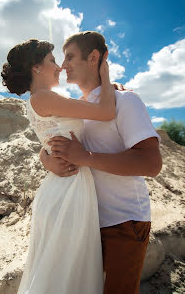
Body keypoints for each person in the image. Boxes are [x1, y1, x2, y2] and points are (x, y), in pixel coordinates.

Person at [41, 31, 162, 294]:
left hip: (124, 222)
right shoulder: (76, 108)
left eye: (70, 57)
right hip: (85, 223)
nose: (63, 65)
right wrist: (48, 162)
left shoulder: (125, 100)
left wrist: (85, 157)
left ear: (93, 57)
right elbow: (53, 149)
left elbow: (151, 163)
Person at [1, 38, 116, 293]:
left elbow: (51, 138)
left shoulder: (40, 99)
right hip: (69, 188)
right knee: (66, 272)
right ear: (36, 67)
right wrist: (106, 77)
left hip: (63, 185)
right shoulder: (44, 97)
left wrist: (45, 156)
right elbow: (107, 112)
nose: (60, 67)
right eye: (52, 60)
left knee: (60, 270)